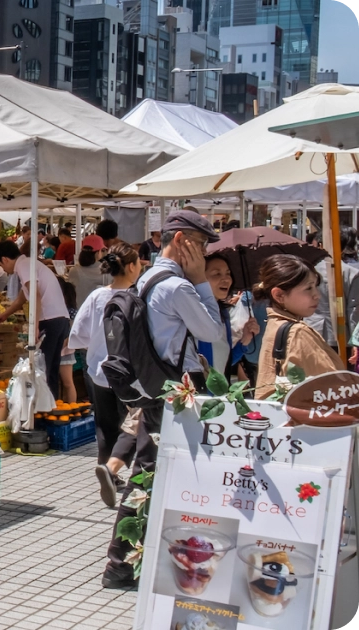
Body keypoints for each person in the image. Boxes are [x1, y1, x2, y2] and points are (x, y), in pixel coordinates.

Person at [101, 210, 225, 590]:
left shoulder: (149, 277)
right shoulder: (176, 286)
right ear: (183, 240)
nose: (203, 254)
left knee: (150, 471)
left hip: (160, 390)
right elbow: (212, 330)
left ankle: (128, 562)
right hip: (177, 392)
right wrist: (203, 281)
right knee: (148, 474)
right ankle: (120, 565)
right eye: (201, 245)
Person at [68, 244, 142, 508]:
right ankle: (124, 471)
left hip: (100, 369)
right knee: (136, 422)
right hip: (132, 374)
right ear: (132, 266)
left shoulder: (98, 296)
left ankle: (107, 468)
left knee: (105, 423)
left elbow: (79, 333)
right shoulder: (140, 296)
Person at [255, 255, 346, 398]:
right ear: (279, 295)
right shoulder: (298, 332)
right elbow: (333, 388)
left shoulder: (276, 323)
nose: (317, 295)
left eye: (316, 286)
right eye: (308, 288)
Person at [0, 241, 70, 399]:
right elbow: (21, 299)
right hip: (60, 319)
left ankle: (45, 409)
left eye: (1, 265)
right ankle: (51, 406)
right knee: (51, 367)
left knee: (43, 369)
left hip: (50, 320)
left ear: (5, 259)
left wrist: (35, 325)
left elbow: (36, 295)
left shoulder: (23, 265)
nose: (4, 270)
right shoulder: (29, 264)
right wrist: (4, 315)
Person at [197, 255, 259, 376]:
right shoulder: (195, 313)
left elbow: (225, 363)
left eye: (228, 273)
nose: (226, 279)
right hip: (199, 392)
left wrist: (245, 340)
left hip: (219, 392)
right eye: (217, 274)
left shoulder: (223, 313)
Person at [67, 235, 110, 309]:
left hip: (79, 313)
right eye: (102, 250)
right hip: (99, 314)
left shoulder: (74, 271)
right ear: (98, 252)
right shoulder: (107, 271)